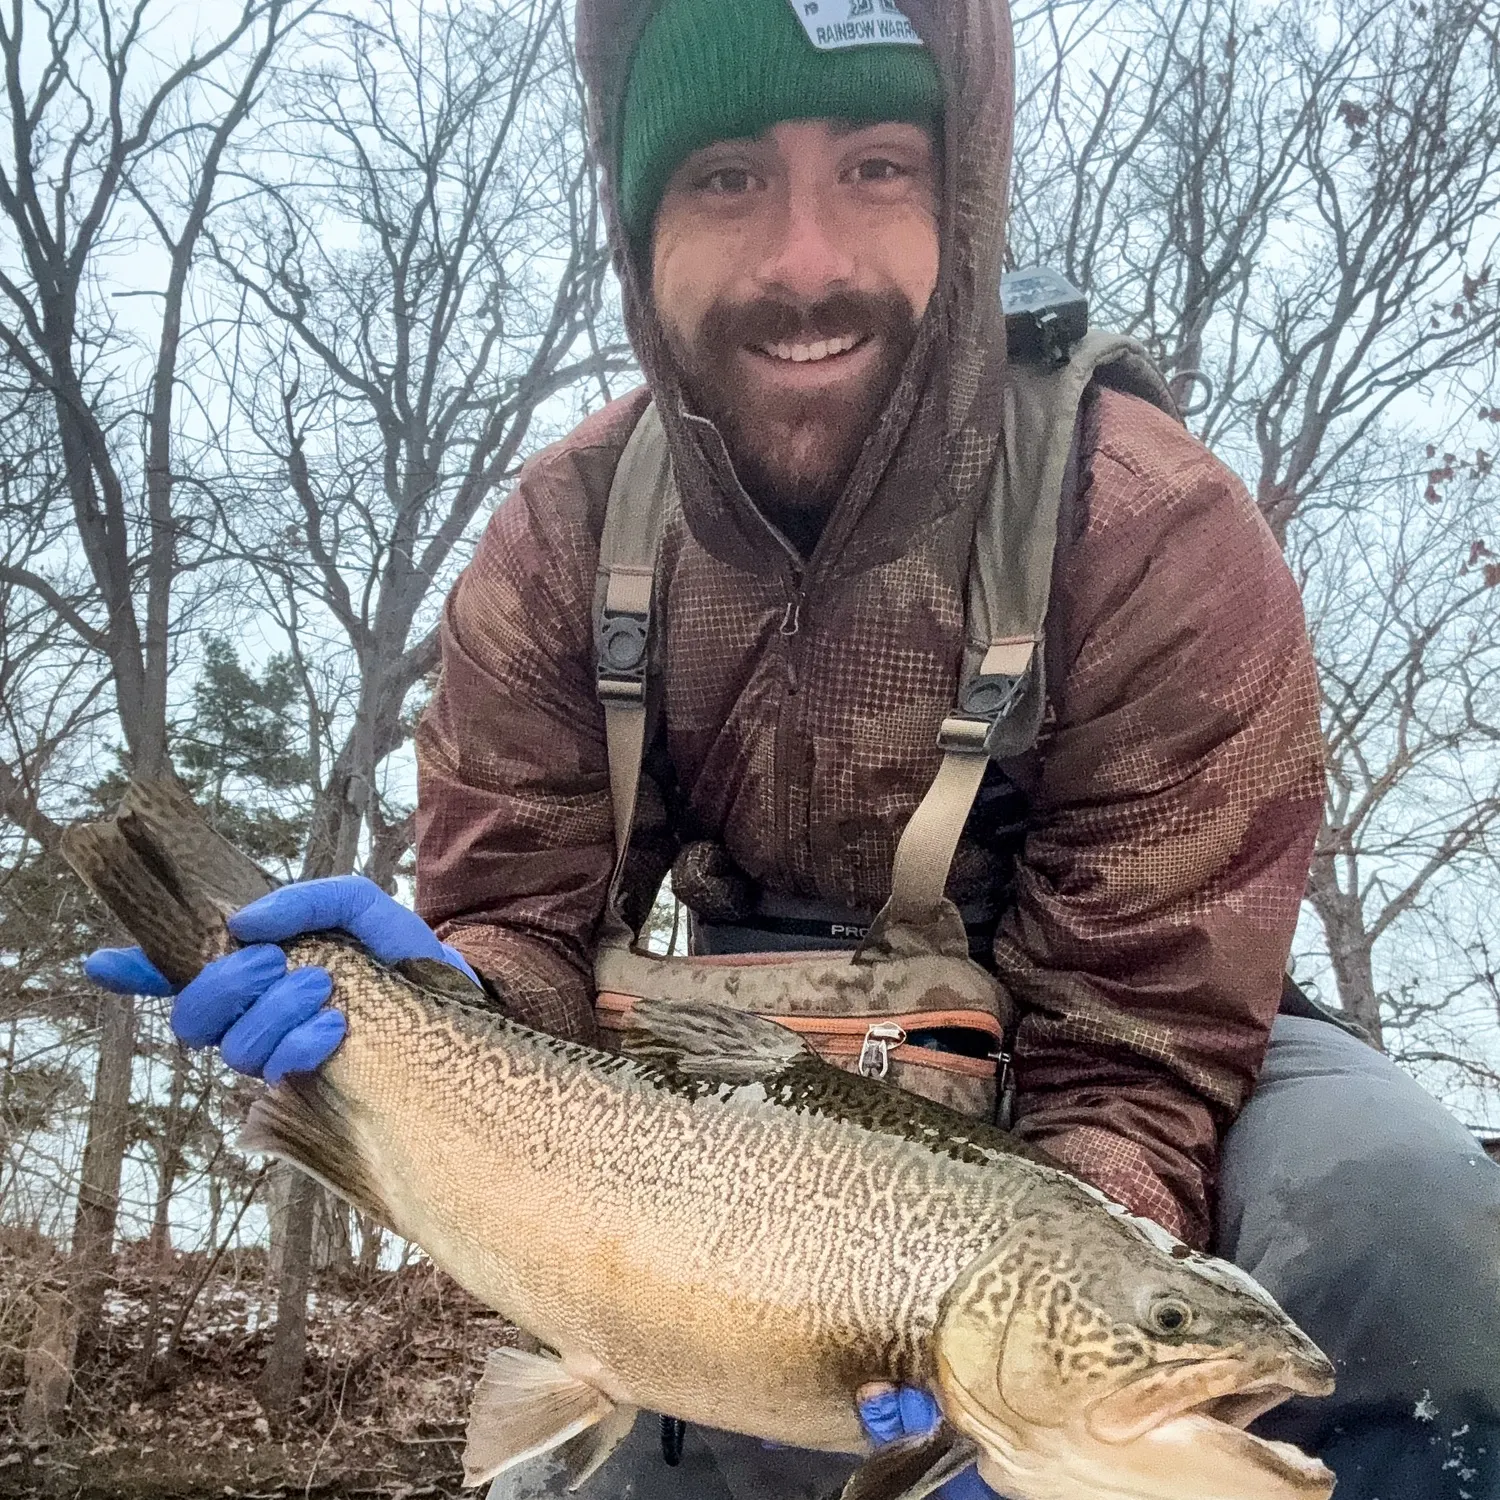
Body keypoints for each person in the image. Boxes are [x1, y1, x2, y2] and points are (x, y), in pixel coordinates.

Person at [86, 0, 1500, 1494]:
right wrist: (446, 999)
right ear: (642, 235)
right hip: (735, 1081)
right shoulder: (562, 538)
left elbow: (1141, 1033)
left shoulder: (1157, 527)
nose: (807, 260)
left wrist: (1023, 1347)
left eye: (879, 168)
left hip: (1127, 1044)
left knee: (1404, 1230)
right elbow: (523, 926)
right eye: (727, 179)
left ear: (958, 197)